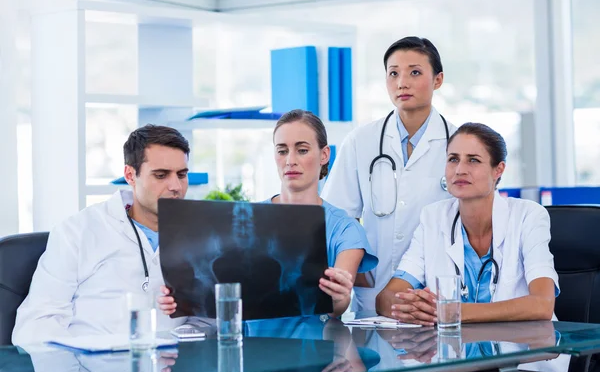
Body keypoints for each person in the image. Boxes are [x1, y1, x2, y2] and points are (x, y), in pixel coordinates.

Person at [159, 110, 378, 318]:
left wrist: (339, 296)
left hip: (316, 349)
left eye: (302, 150)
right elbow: (213, 295)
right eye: (282, 151)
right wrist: (179, 300)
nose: (290, 160)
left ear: (324, 155)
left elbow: (337, 307)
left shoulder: (345, 229)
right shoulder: (246, 217)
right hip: (248, 348)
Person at [12, 124, 190, 346]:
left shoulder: (200, 235)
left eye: (182, 175)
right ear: (130, 175)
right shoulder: (77, 232)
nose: (175, 186)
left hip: (173, 369)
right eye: (161, 175)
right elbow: (36, 325)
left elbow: (212, 320)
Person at [321, 36, 457, 312]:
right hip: (372, 297)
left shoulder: (459, 142)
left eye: (414, 72)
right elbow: (336, 218)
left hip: (437, 296)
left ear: (438, 80)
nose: (401, 82)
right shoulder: (361, 141)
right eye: (393, 73)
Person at [376, 122, 560, 324]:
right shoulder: (433, 217)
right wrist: (416, 308)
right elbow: (386, 298)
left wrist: (453, 312)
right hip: (456, 350)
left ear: (498, 170)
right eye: (453, 159)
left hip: (527, 349)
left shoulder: (528, 216)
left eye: (473, 160)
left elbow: (542, 303)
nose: (460, 170)